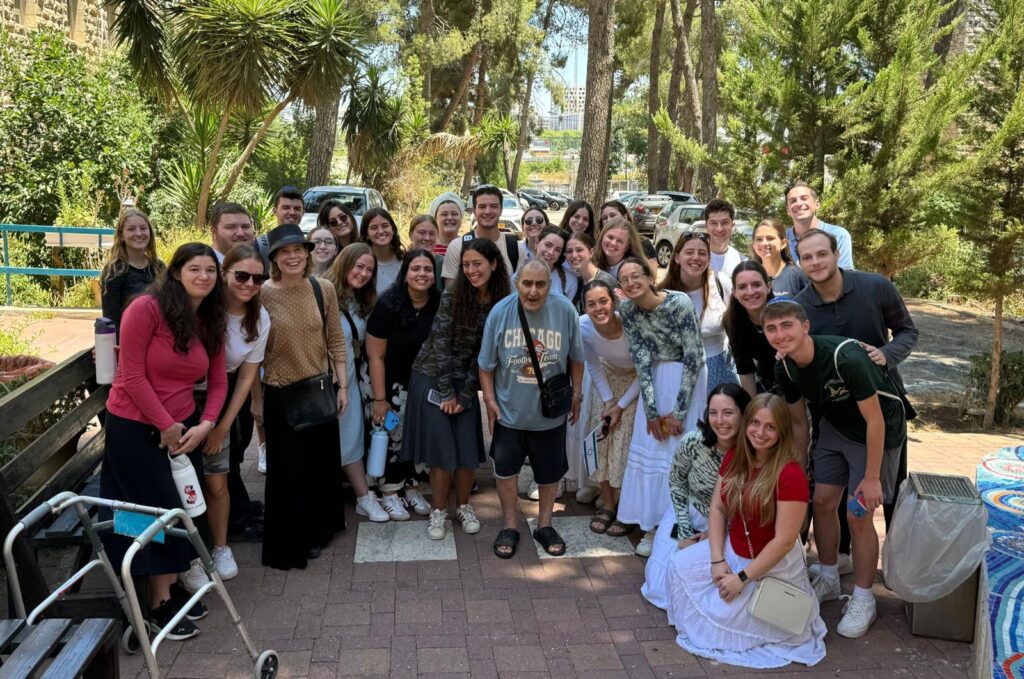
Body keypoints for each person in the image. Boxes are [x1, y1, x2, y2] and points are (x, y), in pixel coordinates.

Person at [99, 243, 227, 640]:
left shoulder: (208, 318)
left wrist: (205, 424)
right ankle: (155, 603)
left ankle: (166, 590)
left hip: (183, 428)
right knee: (149, 511)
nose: (204, 277)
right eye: (195, 269)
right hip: (136, 427)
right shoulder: (144, 309)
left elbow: (219, 381)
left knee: (179, 511)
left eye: (210, 270)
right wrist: (164, 425)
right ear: (175, 272)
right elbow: (131, 375)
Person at [763, 300, 906, 639]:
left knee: (858, 513)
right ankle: (828, 575)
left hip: (877, 433)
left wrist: (871, 479)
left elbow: (875, 420)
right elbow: (799, 423)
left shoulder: (845, 356)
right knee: (824, 501)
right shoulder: (785, 368)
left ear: (805, 326)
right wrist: (798, 467)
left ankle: (863, 597)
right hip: (836, 429)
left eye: (787, 326)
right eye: (772, 329)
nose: (780, 334)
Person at [793, 228, 919, 587]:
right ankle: (831, 575)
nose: (816, 262)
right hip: (834, 417)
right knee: (824, 500)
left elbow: (908, 332)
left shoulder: (876, 287)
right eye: (807, 257)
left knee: (863, 507)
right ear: (800, 264)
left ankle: (874, 588)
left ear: (836, 255)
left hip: (882, 411)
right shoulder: (801, 306)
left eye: (822, 254)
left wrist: (887, 355)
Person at [664, 393, 827, 668]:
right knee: (678, 565)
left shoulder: (790, 475)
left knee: (721, 621)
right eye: (755, 423)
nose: (760, 433)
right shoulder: (735, 457)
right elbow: (717, 509)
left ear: (781, 431)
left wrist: (742, 578)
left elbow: (785, 541)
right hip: (735, 547)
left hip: (772, 564)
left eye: (770, 426)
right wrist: (717, 560)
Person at [403, 239, 511, 539]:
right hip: (433, 376)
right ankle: (438, 511)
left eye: (477, 263)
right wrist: (448, 392)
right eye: (466, 265)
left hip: (468, 380)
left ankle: (463, 506)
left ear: (493, 264)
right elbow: (440, 343)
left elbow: (489, 354)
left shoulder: (503, 302)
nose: (471, 270)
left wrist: (465, 394)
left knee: (465, 448)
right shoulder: (453, 295)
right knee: (441, 449)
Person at [255, 223, 348, 570]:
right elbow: (254, 352)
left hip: (320, 389)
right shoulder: (262, 293)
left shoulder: (321, 288)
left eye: (298, 250)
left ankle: (318, 529)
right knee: (288, 471)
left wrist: (344, 386)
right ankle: (294, 538)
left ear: (307, 253)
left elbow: (335, 339)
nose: (292, 256)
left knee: (319, 467)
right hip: (280, 392)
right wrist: (256, 400)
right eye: (284, 252)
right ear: (274, 258)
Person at [479, 259, 585, 559]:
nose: (533, 291)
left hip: (549, 415)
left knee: (549, 474)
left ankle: (545, 525)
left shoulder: (564, 310)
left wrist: (576, 392)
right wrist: (489, 399)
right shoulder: (500, 313)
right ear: (517, 283)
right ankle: (510, 525)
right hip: (509, 414)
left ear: (549, 285)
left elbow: (577, 357)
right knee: (506, 471)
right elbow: (485, 366)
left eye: (540, 284)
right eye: (527, 283)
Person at [184, 244, 269, 590]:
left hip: (221, 397)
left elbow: (247, 377)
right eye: (242, 275)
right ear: (225, 273)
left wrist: (221, 426)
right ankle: (189, 551)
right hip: (182, 395)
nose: (249, 283)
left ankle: (220, 546)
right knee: (182, 479)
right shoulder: (202, 307)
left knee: (217, 478)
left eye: (258, 278)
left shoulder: (259, 319)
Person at [617, 257, 707, 557]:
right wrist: (653, 413)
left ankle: (685, 524)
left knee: (681, 449)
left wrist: (679, 413)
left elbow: (694, 355)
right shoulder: (627, 310)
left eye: (636, 275)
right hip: (656, 380)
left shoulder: (679, 302)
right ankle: (651, 524)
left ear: (649, 276)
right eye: (624, 279)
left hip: (687, 381)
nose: (631, 283)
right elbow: (641, 360)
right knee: (654, 445)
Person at [642, 383, 752, 609]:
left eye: (728, 413)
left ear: (744, 414)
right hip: (687, 512)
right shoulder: (694, 441)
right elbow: (676, 481)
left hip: (730, 524)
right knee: (660, 588)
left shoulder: (753, 452)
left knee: (708, 592)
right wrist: (683, 529)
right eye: (713, 413)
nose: (720, 421)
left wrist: (714, 533)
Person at [364, 249, 440, 519]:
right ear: (405, 273)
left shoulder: (438, 303)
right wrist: (380, 399)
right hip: (389, 382)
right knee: (391, 435)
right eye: (416, 268)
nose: (422, 274)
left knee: (418, 435)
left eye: (428, 269)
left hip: (422, 384)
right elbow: (375, 355)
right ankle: (390, 492)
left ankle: (411, 486)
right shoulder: (388, 304)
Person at [206, 202, 264, 536]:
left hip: (233, 379)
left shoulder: (252, 283)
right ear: (214, 230)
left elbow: (249, 363)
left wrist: (254, 400)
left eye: (246, 226)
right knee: (220, 453)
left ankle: (237, 509)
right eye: (232, 227)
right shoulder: (203, 270)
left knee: (234, 448)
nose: (240, 232)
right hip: (200, 384)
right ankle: (233, 518)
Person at [324, 243, 390, 523]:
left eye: (369, 269)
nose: (363, 273)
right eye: (358, 266)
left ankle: (363, 497)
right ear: (344, 263)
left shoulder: (362, 301)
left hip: (349, 380)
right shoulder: (324, 293)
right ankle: (356, 497)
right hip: (327, 382)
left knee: (351, 438)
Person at [579, 280, 640, 535]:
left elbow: (645, 370)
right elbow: (593, 364)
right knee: (600, 441)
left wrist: (621, 405)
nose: (598, 308)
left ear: (613, 302)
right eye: (591, 304)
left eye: (603, 301)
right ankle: (608, 503)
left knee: (625, 445)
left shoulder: (631, 323)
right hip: (606, 382)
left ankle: (626, 507)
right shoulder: (583, 326)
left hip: (635, 384)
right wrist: (607, 402)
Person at [658, 231, 737, 387]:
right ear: (677, 257)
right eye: (689, 252)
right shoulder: (661, 294)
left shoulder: (722, 283)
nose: (696, 257)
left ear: (708, 259)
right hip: (677, 372)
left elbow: (737, 328)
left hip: (720, 368)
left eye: (702, 253)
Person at [100, 208, 165, 333]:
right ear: (121, 236)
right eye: (131, 229)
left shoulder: (159, 267)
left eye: (143, 228)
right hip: (129, 339)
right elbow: (111, 319)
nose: (139, 233)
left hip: (158, 337)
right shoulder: (114, 272)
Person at [441, 185, 519, 287]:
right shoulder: (457, 247)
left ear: (501, 210)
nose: (487, 211)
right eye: (482, 207)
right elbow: (450, 294)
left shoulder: (515, 248)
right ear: (474, 211)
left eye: (493, 206)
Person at [723, 261, 779, 397]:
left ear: (768, 287)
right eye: (742, 287)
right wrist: (752, 409)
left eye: (756, 285)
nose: (750, 292)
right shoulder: (733, 321)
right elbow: (745, 368)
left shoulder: (784, 313)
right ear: (734, 293)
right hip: (768, 383)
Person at [784, 181, 854, 269]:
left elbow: (845, 275)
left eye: (804, 198)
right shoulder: (782, 242)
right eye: (793, 201)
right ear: (788, 211)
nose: (799, 203)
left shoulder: (839, 235)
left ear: (817, 204)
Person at [565, 231, 618, 315]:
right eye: (569, 251)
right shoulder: (576, 282)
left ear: (591, 252)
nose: (574, 255)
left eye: (579, 250)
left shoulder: (606, 281)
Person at [596, 201, 658, 272]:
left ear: (625, 217)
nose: (609, 220)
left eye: (612, 215)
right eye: (604, 218)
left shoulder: (644, 244)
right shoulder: (599, 247)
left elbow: (651, 276)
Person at [751, 218, 807, 296]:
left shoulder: (797, 276)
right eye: (759, 239)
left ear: (783, 243)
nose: (764, 243)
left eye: (770, 238)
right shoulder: (749, 276)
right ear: (753, 244)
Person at [360, 207, 405, 295]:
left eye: (385, 226)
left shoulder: (404, 261)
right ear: (366, 235)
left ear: (392, 229)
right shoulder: (360, 264)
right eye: (374, 228)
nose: (380, 231)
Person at [703, 199, 745, 276]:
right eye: (713, 223)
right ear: (706, 226)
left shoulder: (742, 263)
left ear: (733, 225)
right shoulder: (695, 259)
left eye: (725, 222)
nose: (719, 229)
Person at [428, 191, 465, 256]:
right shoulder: (427, 246)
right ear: (435, 218)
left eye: (454, 214)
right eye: (444, 214)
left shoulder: (469, 246)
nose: (450, 218)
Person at [516, 206, 549, 270]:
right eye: (529, 221)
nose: (534, 223)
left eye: (539, 220)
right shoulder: (515, 251)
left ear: (547, 225)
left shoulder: (554, 250)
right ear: (522, 227)